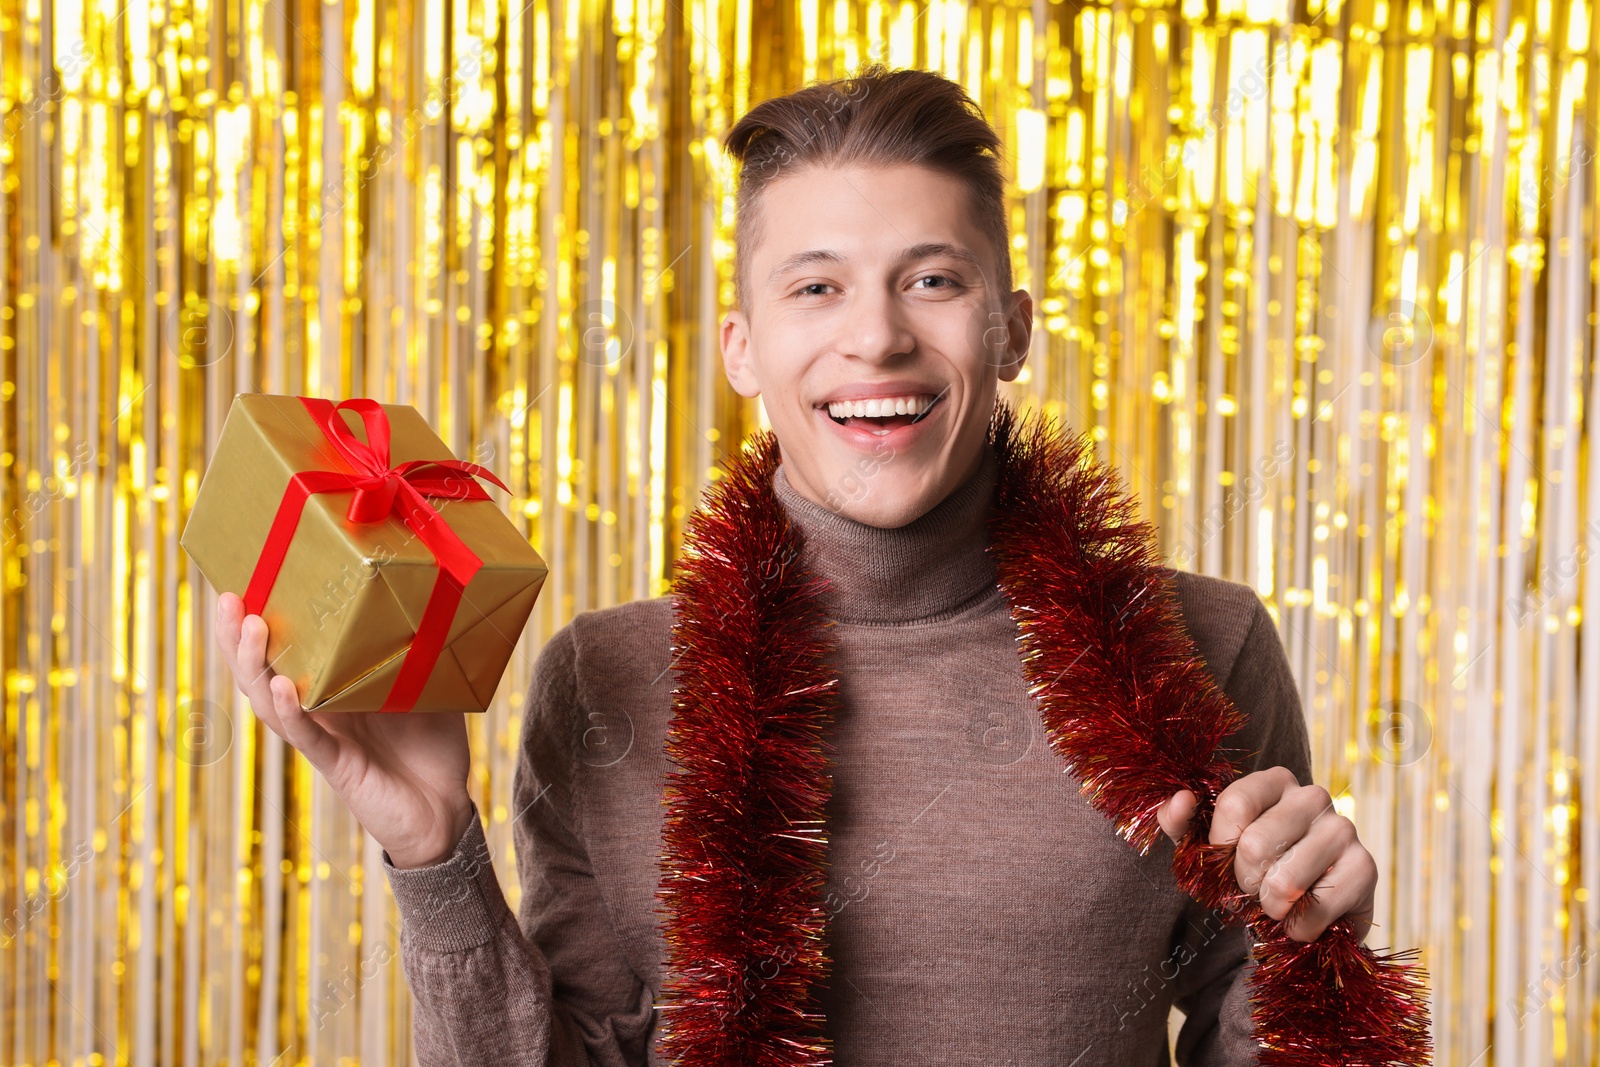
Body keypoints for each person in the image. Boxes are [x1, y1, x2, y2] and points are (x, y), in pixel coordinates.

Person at [214, 64, 1378, 1065]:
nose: (874, 335)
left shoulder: (1201, 647)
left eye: (932, 279)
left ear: (1011, 327)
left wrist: (1314, 946)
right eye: (814, 286)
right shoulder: (604, 676)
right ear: (743, 346)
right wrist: (433, 849)